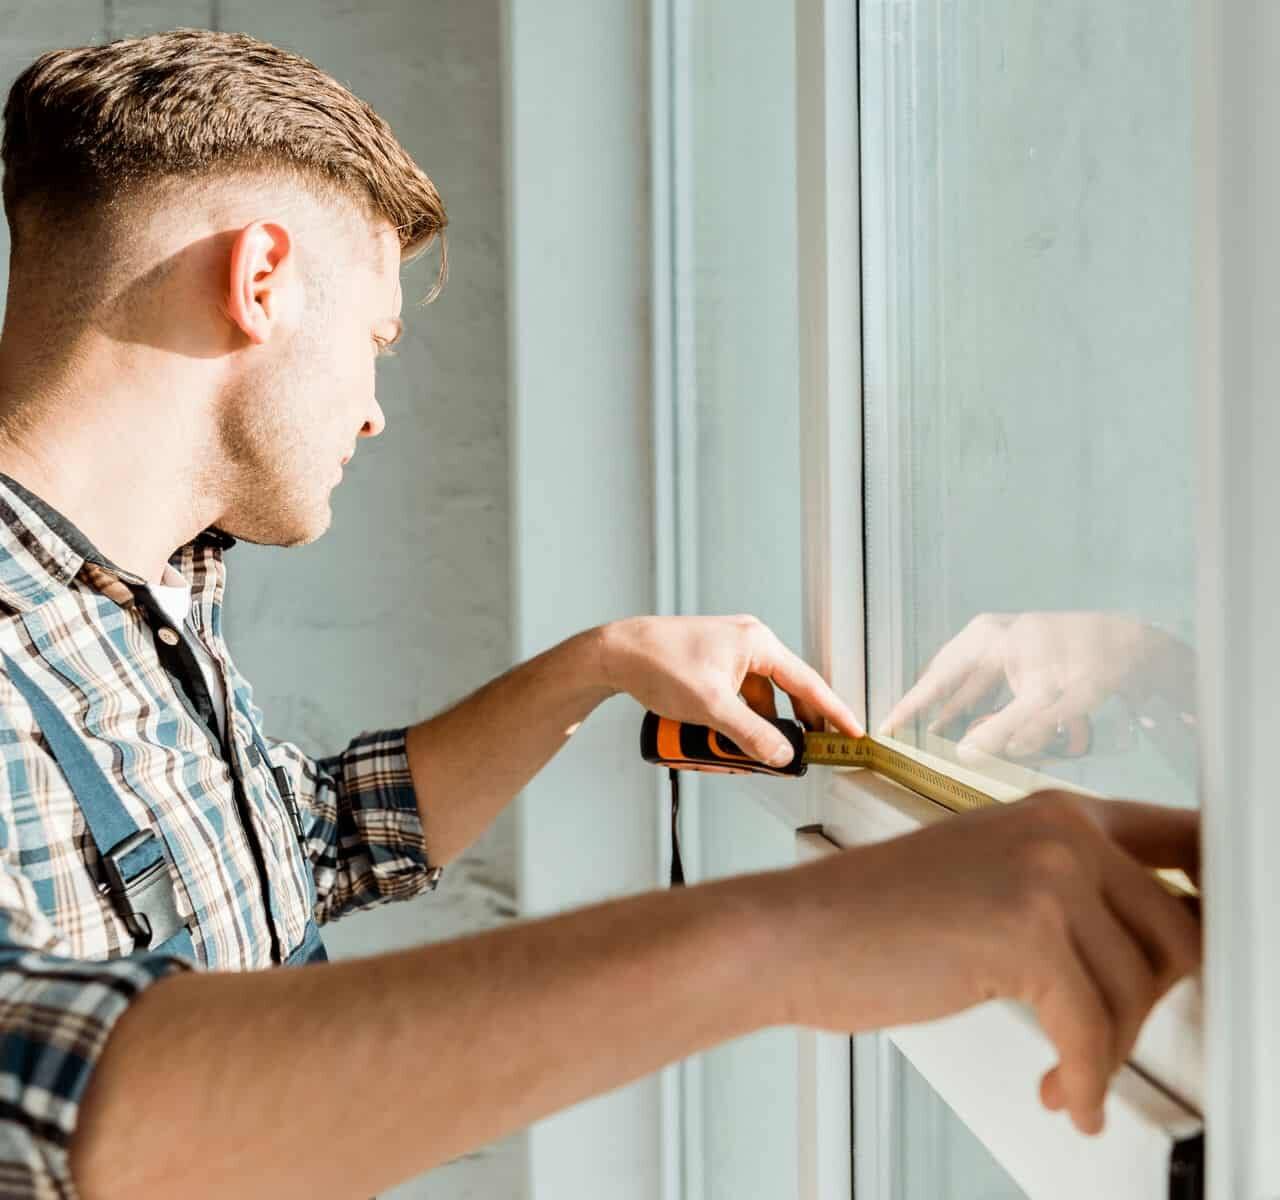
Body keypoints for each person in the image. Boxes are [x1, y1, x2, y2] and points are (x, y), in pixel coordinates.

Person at [0, 29, 1199, 1199]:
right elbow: (54, 1091)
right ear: (261, 282)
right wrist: (797, 934)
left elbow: (303, 849)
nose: (373, 412)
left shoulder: (139, 600)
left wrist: (596, 666)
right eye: (376, 341)